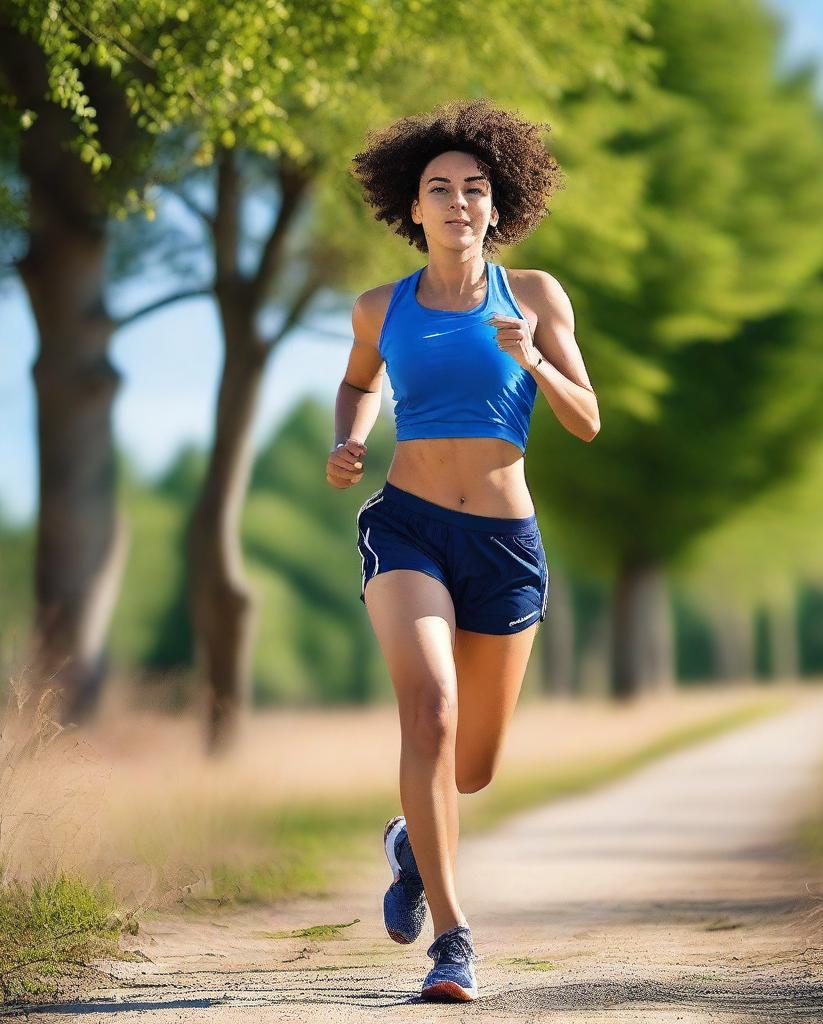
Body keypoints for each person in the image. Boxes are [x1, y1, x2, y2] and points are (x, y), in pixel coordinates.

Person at [325, 98, 600, 1002]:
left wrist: (535, 360)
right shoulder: (381, 306)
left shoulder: (536, 297)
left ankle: (411, 840)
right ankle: (455, 940)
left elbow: (587, 421)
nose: (455, 202)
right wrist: (350, 436)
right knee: (431, 712)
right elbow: (359, 381)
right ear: (412, 209)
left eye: (473, 189)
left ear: (497, 205)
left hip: (505, 543)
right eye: (437, 189)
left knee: (471, 767)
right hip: (407, 525)